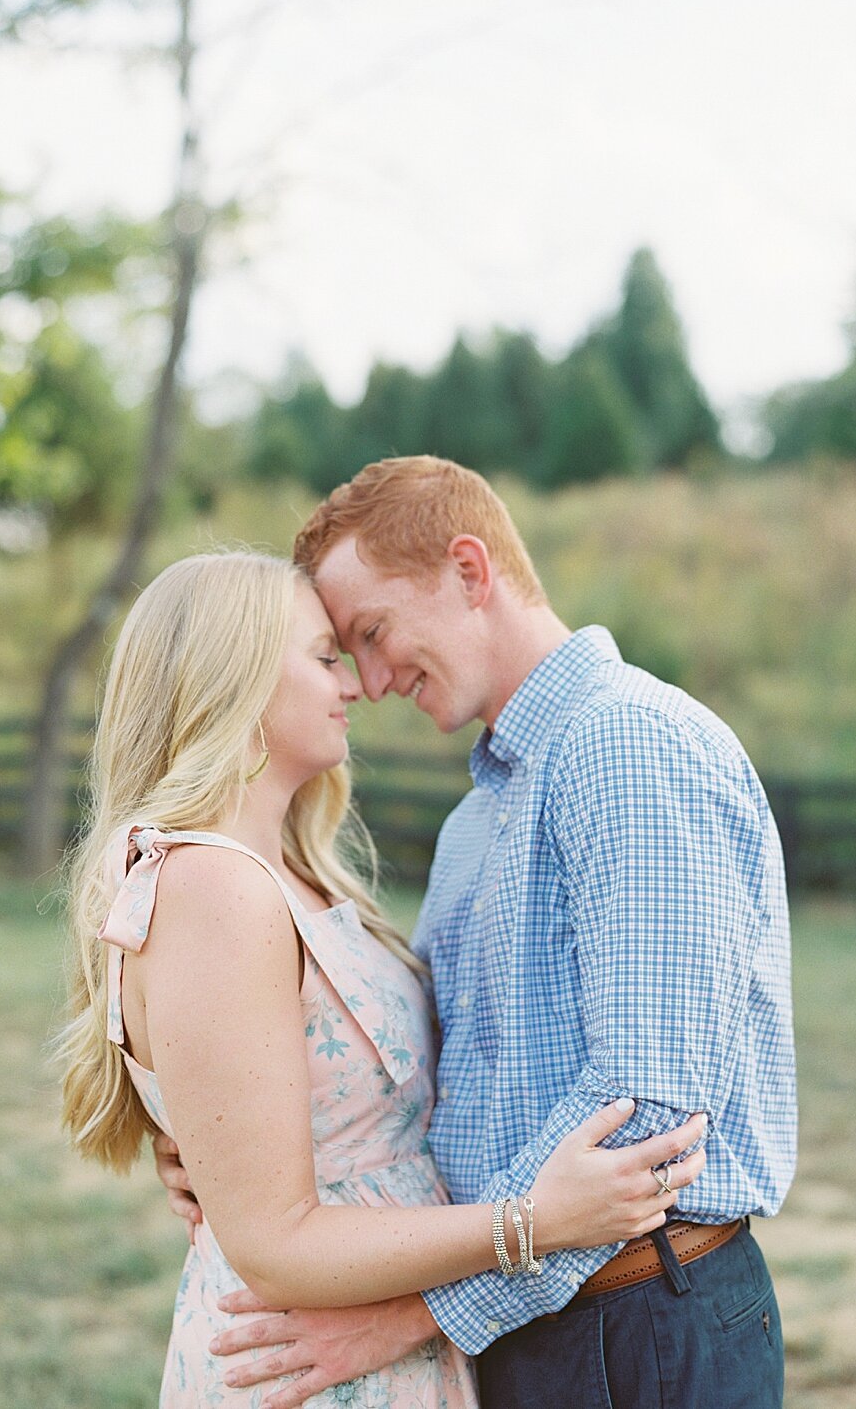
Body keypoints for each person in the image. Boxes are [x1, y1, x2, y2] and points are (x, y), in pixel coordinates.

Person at [156, 458, 797, 1409]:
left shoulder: (624, 744)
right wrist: (238, 1142)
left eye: (371, 634)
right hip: (532, 1321)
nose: (368, 681)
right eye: (343, 651)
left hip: (636, 1327)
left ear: (469, 570)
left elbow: (649, 1123)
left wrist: (421, 1313)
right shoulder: (478, 820)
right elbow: (444, 1073)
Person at [57, 549, 708, 1409]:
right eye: (326, 655)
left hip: (376, 1337)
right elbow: (275, 1241)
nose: (357, 683)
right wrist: (534, 1222)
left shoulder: (282, 874)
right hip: (309, 1361)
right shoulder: (213, 887)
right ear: (236, 678)